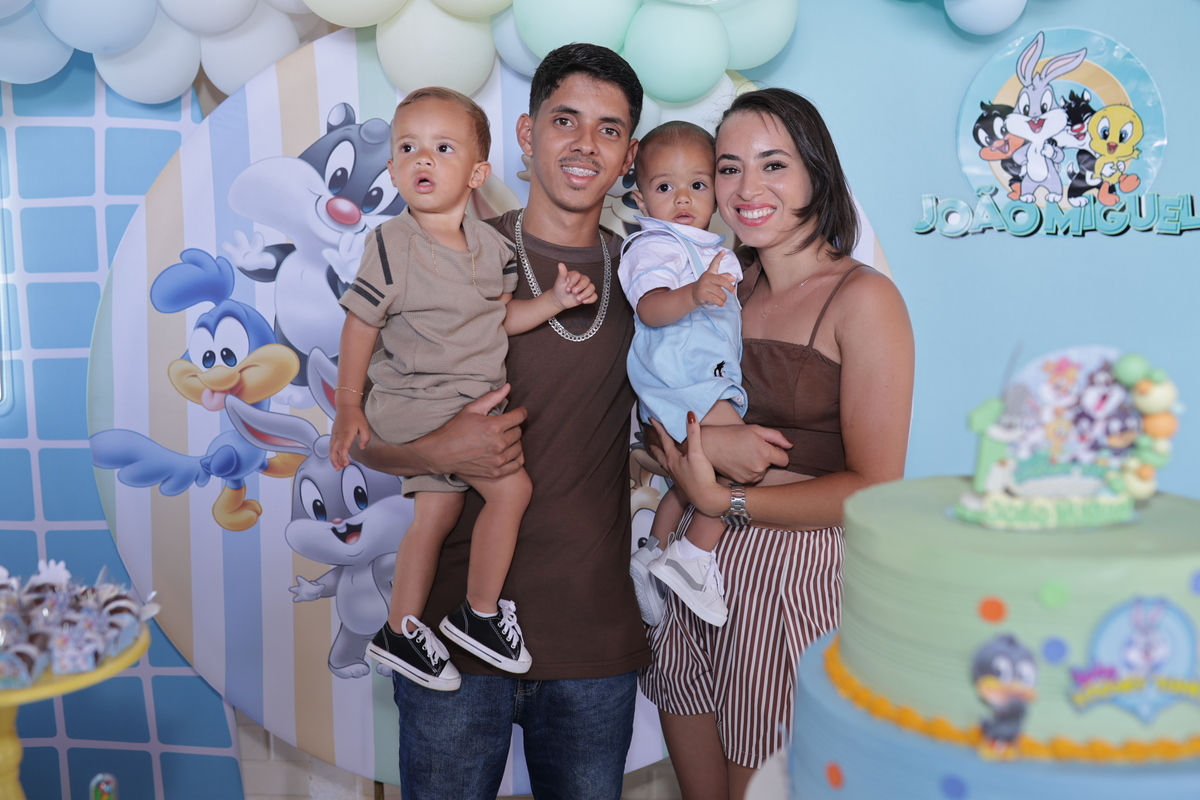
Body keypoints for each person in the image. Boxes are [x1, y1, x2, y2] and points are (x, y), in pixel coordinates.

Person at [349, 45, 649, 800]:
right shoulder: (444, 251)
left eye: (609, 130)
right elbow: (364, 437)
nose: (584, 144)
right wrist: (436, 449)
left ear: (629, 157)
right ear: (525, 133)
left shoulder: (649, 279)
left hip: (591, 642)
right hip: (449, 645)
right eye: (565, 120)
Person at [639, 88, 915, 800]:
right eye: (728, 168)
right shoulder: (718, 288)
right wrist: (710, 446)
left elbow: (875, 490)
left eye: (773, 165)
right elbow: (653, 410)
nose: (746, 189)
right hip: (688, 569)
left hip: (789, 573)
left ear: (816, 173)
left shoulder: (863, 299)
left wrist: (725, 500)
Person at [331, 87, 597, 690]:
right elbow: (360, 323)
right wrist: (348, 405)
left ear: (477, 173)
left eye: (443, 148)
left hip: (461, 403)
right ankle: (479, 613)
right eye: (408, 148)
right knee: (512, 489)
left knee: (437, 513)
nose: (423, 159)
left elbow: (498, 318)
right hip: (417, 401)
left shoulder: (492, 247)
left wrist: (554, 301)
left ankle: (401, 629)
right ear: (392, 168)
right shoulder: (393, 243)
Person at [620, 121, 800, 629]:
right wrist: (693, 293)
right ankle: (692, 557)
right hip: (683, 379)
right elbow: (651, 309)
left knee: (691, 480)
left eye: (697, 185)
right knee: (741, 464)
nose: (682, 198)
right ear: (640, 199)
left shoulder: (710, 249)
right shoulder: (656, 247)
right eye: (664, 187)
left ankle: (653, 551)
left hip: (704, 376)